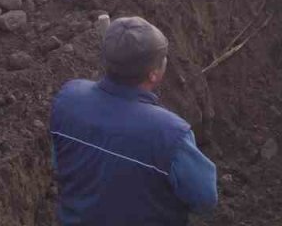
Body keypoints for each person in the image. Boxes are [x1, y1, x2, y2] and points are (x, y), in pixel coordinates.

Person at [50, 16, 217, 224]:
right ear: (154, 74)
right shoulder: (170, 133)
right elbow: (205, 199)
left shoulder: (68, 98)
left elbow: (60, 163)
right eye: (163, 58)